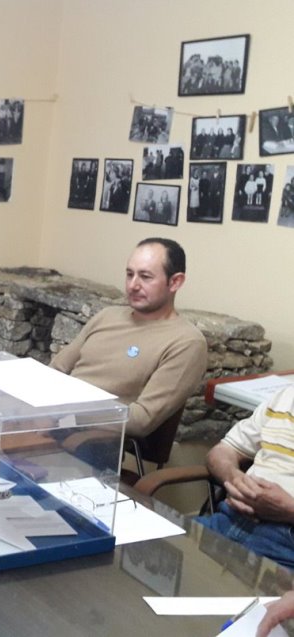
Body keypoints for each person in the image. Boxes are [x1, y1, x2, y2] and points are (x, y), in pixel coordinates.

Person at [50, 238, 207, 438]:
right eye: (129, 274)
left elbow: (140, 420)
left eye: (145, 277)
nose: (133, 285)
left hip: (92, 439)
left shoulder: (186, 342)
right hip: (55, 421)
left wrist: (68, 413)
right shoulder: (107, 316)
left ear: (175, 282)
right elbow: (55, 372)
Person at [197, 383, 294, 569]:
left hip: (285, 547)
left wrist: (289, 510)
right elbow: (222, 452)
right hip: (226, 521)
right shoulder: (285, 396)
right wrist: (234, 479)